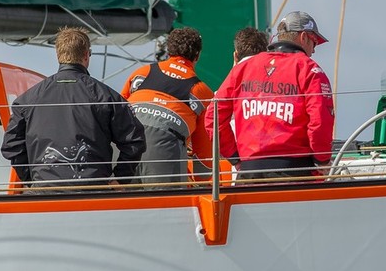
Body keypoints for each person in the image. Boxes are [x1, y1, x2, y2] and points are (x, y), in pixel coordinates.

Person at [1, 27, 145, 189]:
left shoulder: (27, 100)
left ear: (59, 55)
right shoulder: (107, 97)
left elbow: (11, 146)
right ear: (86, 55)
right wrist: (120, 178)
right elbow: (134, 140)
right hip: (94, 190)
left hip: (45, 189)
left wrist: (31, 179)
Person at [206, 11, 334, 181]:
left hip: (249, 171)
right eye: (314, 43)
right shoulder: (309, 69)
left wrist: (235, 157)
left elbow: (213, 118)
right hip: (295, 171)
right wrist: (322, 160)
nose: (313, 51)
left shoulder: (243, 69)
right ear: (303, 37)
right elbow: (320, 120)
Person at [122, 27, 214, 184]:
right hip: (164, 150)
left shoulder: (142, 73)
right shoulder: (202, 92)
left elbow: (117, 109)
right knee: (167, 206)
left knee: (122, 205)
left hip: (125, 142)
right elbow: (204, 147)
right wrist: (202, 177)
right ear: (197, 56)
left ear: (169, 50)